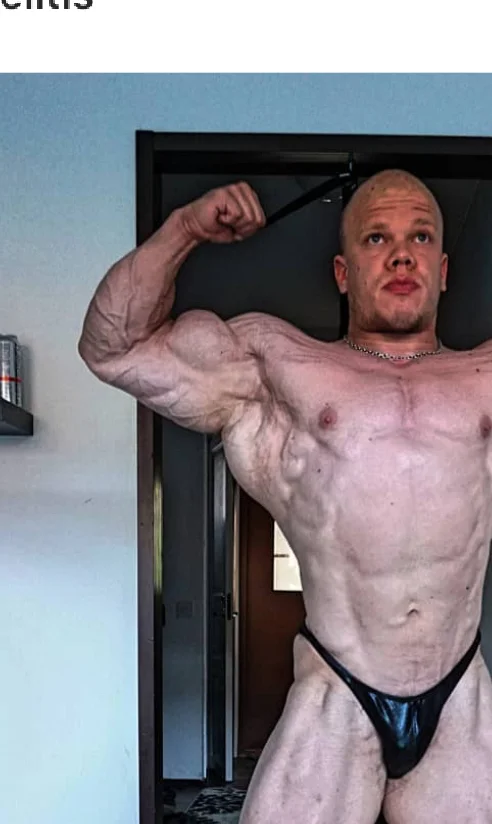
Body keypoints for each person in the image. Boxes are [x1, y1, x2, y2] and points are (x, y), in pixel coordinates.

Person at [78, 169, 492, 823]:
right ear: (342, 272)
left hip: (461, 693)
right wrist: (184, 229)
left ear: (443, 271)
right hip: (340, 690)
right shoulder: (281, 365)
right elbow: (115, 348)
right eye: (377, 238)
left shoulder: (484, 377)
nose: (401, 254)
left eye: (420, 237)